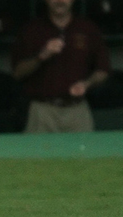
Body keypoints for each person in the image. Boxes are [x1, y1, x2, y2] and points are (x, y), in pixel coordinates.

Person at [11, 0, 111, 133]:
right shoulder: (31, 30)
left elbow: (103, 70)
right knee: (37, 154)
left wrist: (87, 84)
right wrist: (41, 56)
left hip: (77, 110)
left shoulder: (88, 29)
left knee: (82, 154)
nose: (60, 1)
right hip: (41, 111)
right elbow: (17, 73)